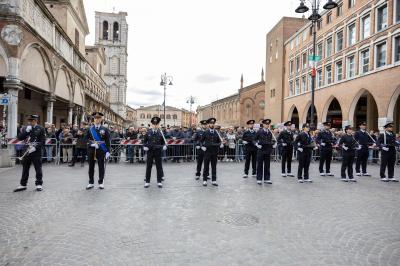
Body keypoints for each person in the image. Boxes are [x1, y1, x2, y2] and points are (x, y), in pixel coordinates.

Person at [14, 115, 46, 192]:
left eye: (31, 121)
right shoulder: (26, 128)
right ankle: (23, 184)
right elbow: (20, 137)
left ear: (35, 121)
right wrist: (26, 131)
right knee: (25, 168)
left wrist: (35, 148)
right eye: (29, 121)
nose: (29, 122)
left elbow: (43, 141)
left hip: (36, 151)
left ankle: (39, 184)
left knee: (38, 168)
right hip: (27, 151)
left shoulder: (41, 129)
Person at [84, 112, 111, 190]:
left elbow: (108, 141)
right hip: (91, 149)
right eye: (95, 118)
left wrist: (108, 151)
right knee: (91, 166)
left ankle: (101, 182)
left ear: (101, 119)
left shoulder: (105, 129)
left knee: (101, 166)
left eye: (98, 118)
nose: (97, 119)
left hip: (101, 149)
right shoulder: (89, 129)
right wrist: (91, 144)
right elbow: (85, 139)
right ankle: (91, 182)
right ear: (93, 119)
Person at [143, 117, 167, 188]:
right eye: (154, 124)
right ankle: (147, 181)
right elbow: (144, 142)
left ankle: (159, 181)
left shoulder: (161, 133)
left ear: (158, 125)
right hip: (150, 151)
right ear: (151, 124)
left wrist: (164, 146)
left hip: (158, 151)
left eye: (156, 124)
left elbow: (164, 143)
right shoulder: (148, 133)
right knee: (148, 167)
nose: (155, 125)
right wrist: (144, 146)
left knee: (159, 167)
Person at [200, 118, 224, 186]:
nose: (212, 124)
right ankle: (204, 180)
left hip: (214, 152)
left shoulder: (216, 132)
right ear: (208, 124)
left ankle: (214, 180)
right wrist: (202, 146)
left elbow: (220, 141)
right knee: (206, 166)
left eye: (213, 123)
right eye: (211, 123)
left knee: (214, 166)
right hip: (207, 152)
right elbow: (201, 141)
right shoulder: (205, 132)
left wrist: (221, 144)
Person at [254, 119, 276, 185]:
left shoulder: (269, 132)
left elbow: (270, 141)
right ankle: (259, 179)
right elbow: (254, 139)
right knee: (260, 165)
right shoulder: (259, 131)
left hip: (267, 150)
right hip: (261, 150)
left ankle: (267, 178)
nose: (267, 125)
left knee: (267, 165)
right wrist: (256, 144)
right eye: (266, 124)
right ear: (263, 124)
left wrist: (273, 144)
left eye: (268, 124)